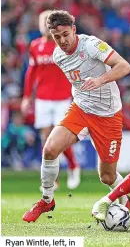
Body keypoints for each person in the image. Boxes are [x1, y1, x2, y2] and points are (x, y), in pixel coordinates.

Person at [22, 10, 130, 223]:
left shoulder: (92, 45)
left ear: (74, 30)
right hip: (81, 108)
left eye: (65, 34)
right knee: (50, 149)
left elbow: (124, 66)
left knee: (107, 176)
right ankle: (46, 199)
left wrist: (100, 80)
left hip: (108, 114)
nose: (62, 41)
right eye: (57, 37)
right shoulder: (57, 55)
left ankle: (124, 198)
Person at [21, 10, 81, 190]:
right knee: (46, 139)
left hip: (62, 97)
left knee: (60, 137)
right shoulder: (35, 46)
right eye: (41, 23)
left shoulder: (63, 46)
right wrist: (26, 97)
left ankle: (72, 166)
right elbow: (31, 73)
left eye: (46, 23)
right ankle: (52, 180)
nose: (43, 27)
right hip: (42, 98)